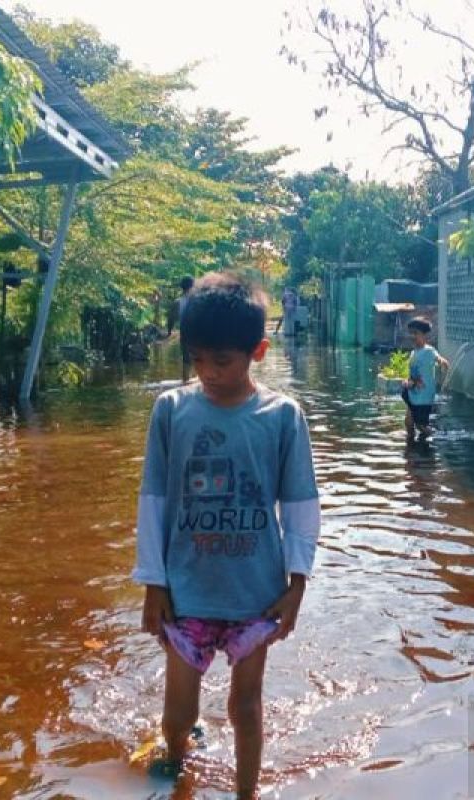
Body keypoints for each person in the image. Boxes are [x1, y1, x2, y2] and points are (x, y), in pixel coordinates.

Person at [132, 272, 321, 798]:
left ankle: (246, 793)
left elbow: (301, 505)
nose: (208, 373)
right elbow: (153, 501)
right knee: (179, 712)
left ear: (257, 352)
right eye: (197, 359)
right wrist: (153, 582)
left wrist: (296, 585)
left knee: (246, 705)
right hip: (186, 590)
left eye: (223, 361)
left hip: (255, 595)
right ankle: (175, 760)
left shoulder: (282, 417)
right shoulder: (171, 411)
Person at [400, 317, 449, 442]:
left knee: (421, 426)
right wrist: (408, 381)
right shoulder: (414, 352)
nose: (412, 336)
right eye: (411, 333)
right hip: (413, 392)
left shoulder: (429, 351)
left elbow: (438, 358)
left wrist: (442, 362)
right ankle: (410, 445)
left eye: (415, 333)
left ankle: (438, 437)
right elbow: (413, 372)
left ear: (424, 335)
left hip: (423, 396)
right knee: (408, 422)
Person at [165, 276, 194, 383]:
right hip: (199, 333)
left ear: (182, 287)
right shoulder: (199, 300)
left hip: (185, 332)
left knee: (186, 359)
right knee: (202, 357)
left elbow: (170, 318)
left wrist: (169, 332)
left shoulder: (178, 302)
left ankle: (186, 381)